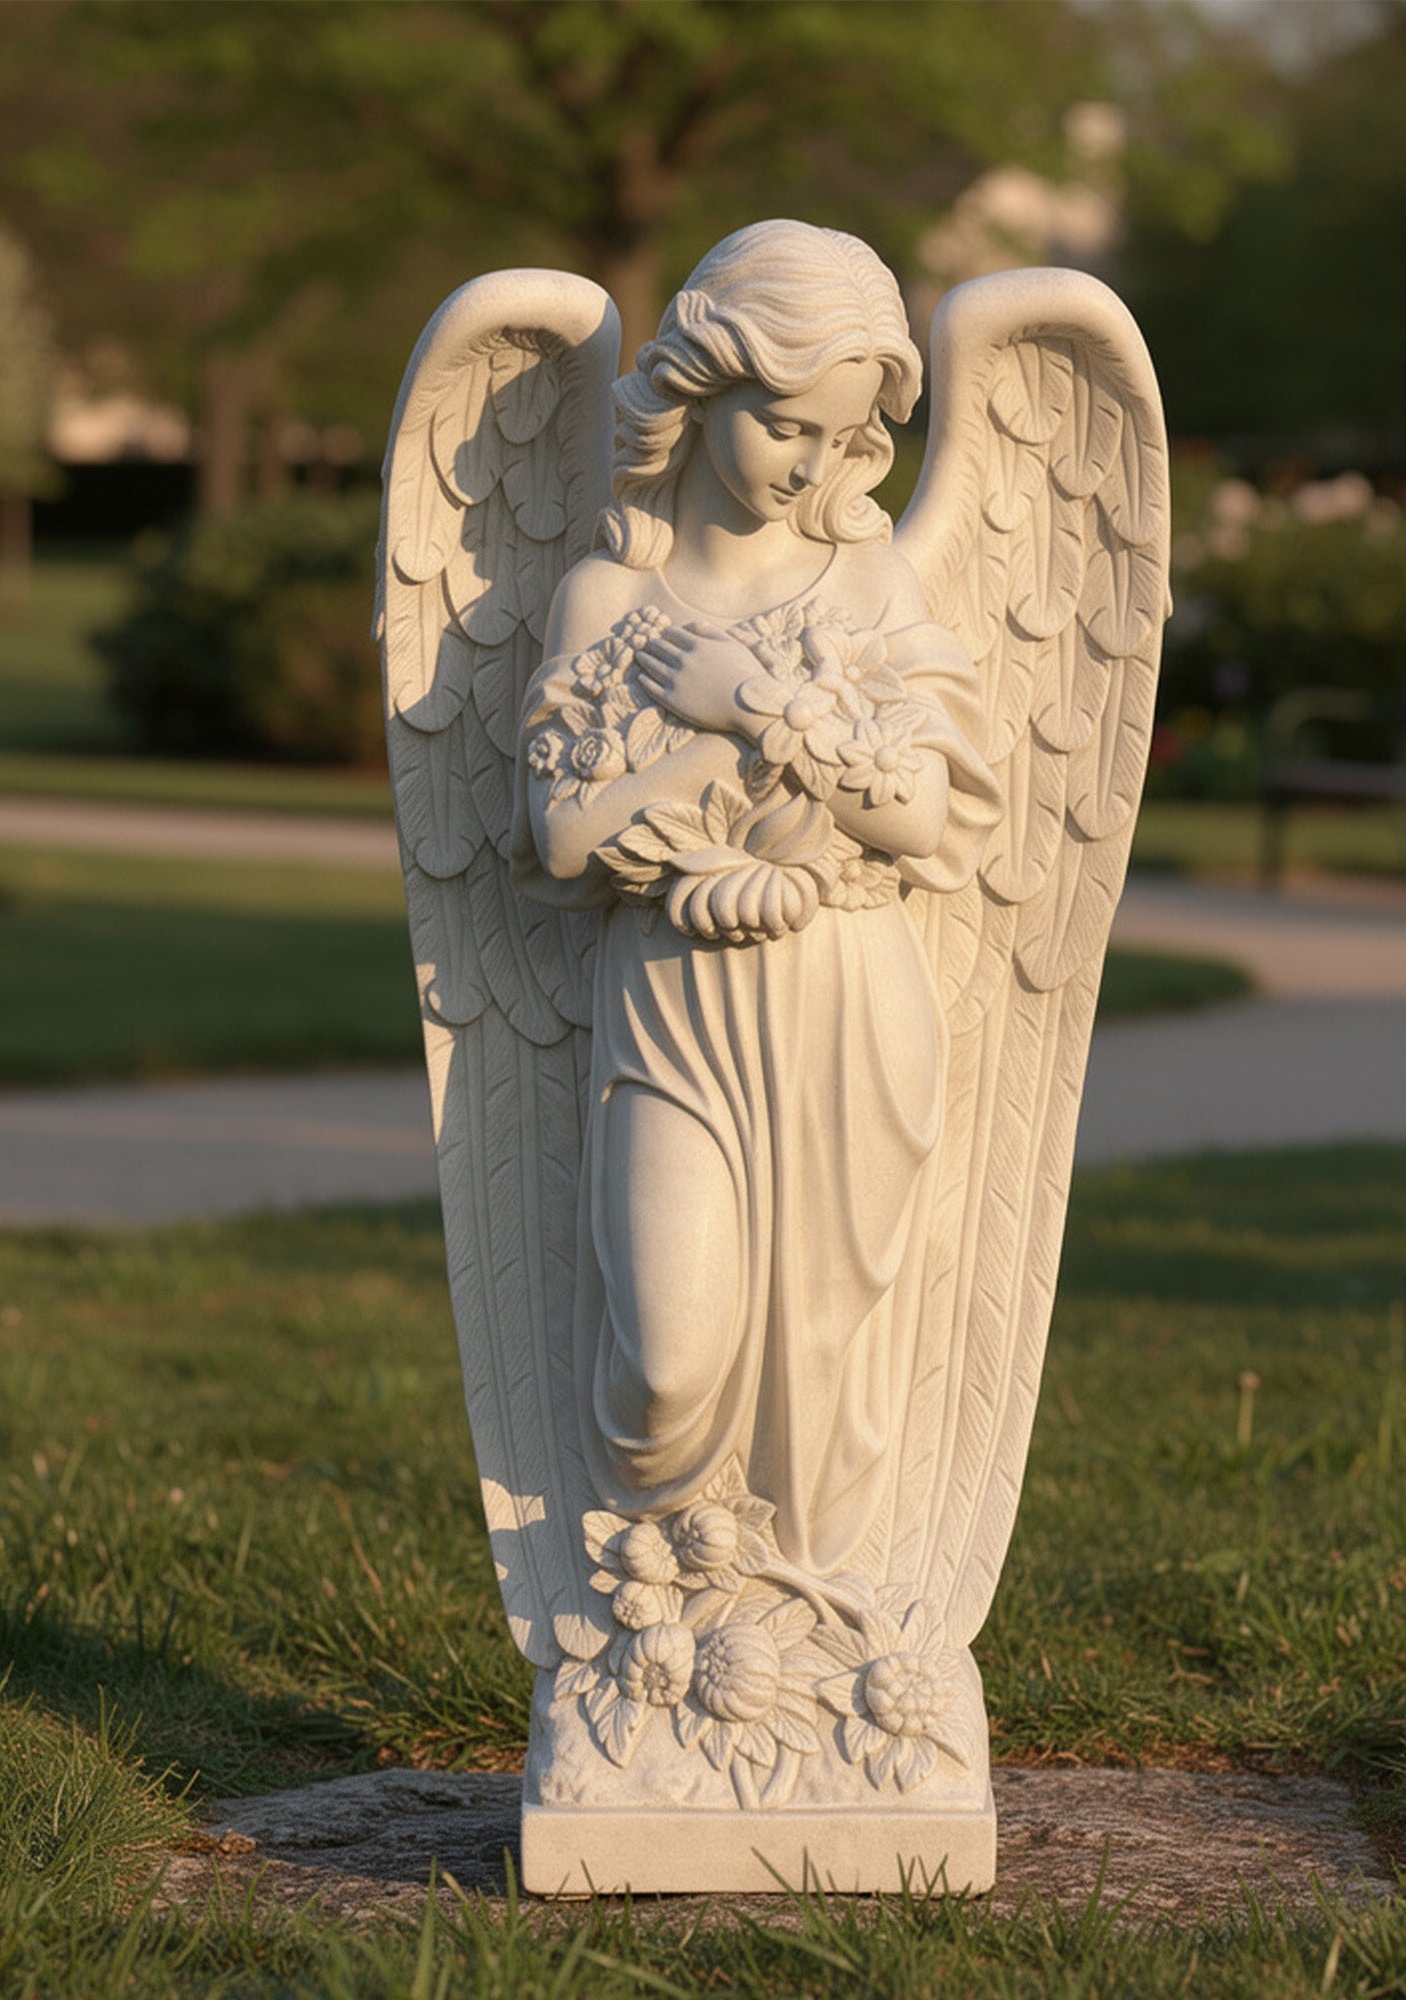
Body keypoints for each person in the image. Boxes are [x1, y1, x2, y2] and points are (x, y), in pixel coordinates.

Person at [513, 221, 1000, 1574]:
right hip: (672, 1007)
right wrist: (694, 766)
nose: (815, 464)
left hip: (845, 997)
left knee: (828, 1377)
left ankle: (799, 1646)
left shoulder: (872, 584)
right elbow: (558, 840)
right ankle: (653, 1592)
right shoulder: (612, 593)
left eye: (846, 440)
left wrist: (750, 707)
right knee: (670, 1365)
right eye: (785, 425)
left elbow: (913, 810)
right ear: (695, 393)